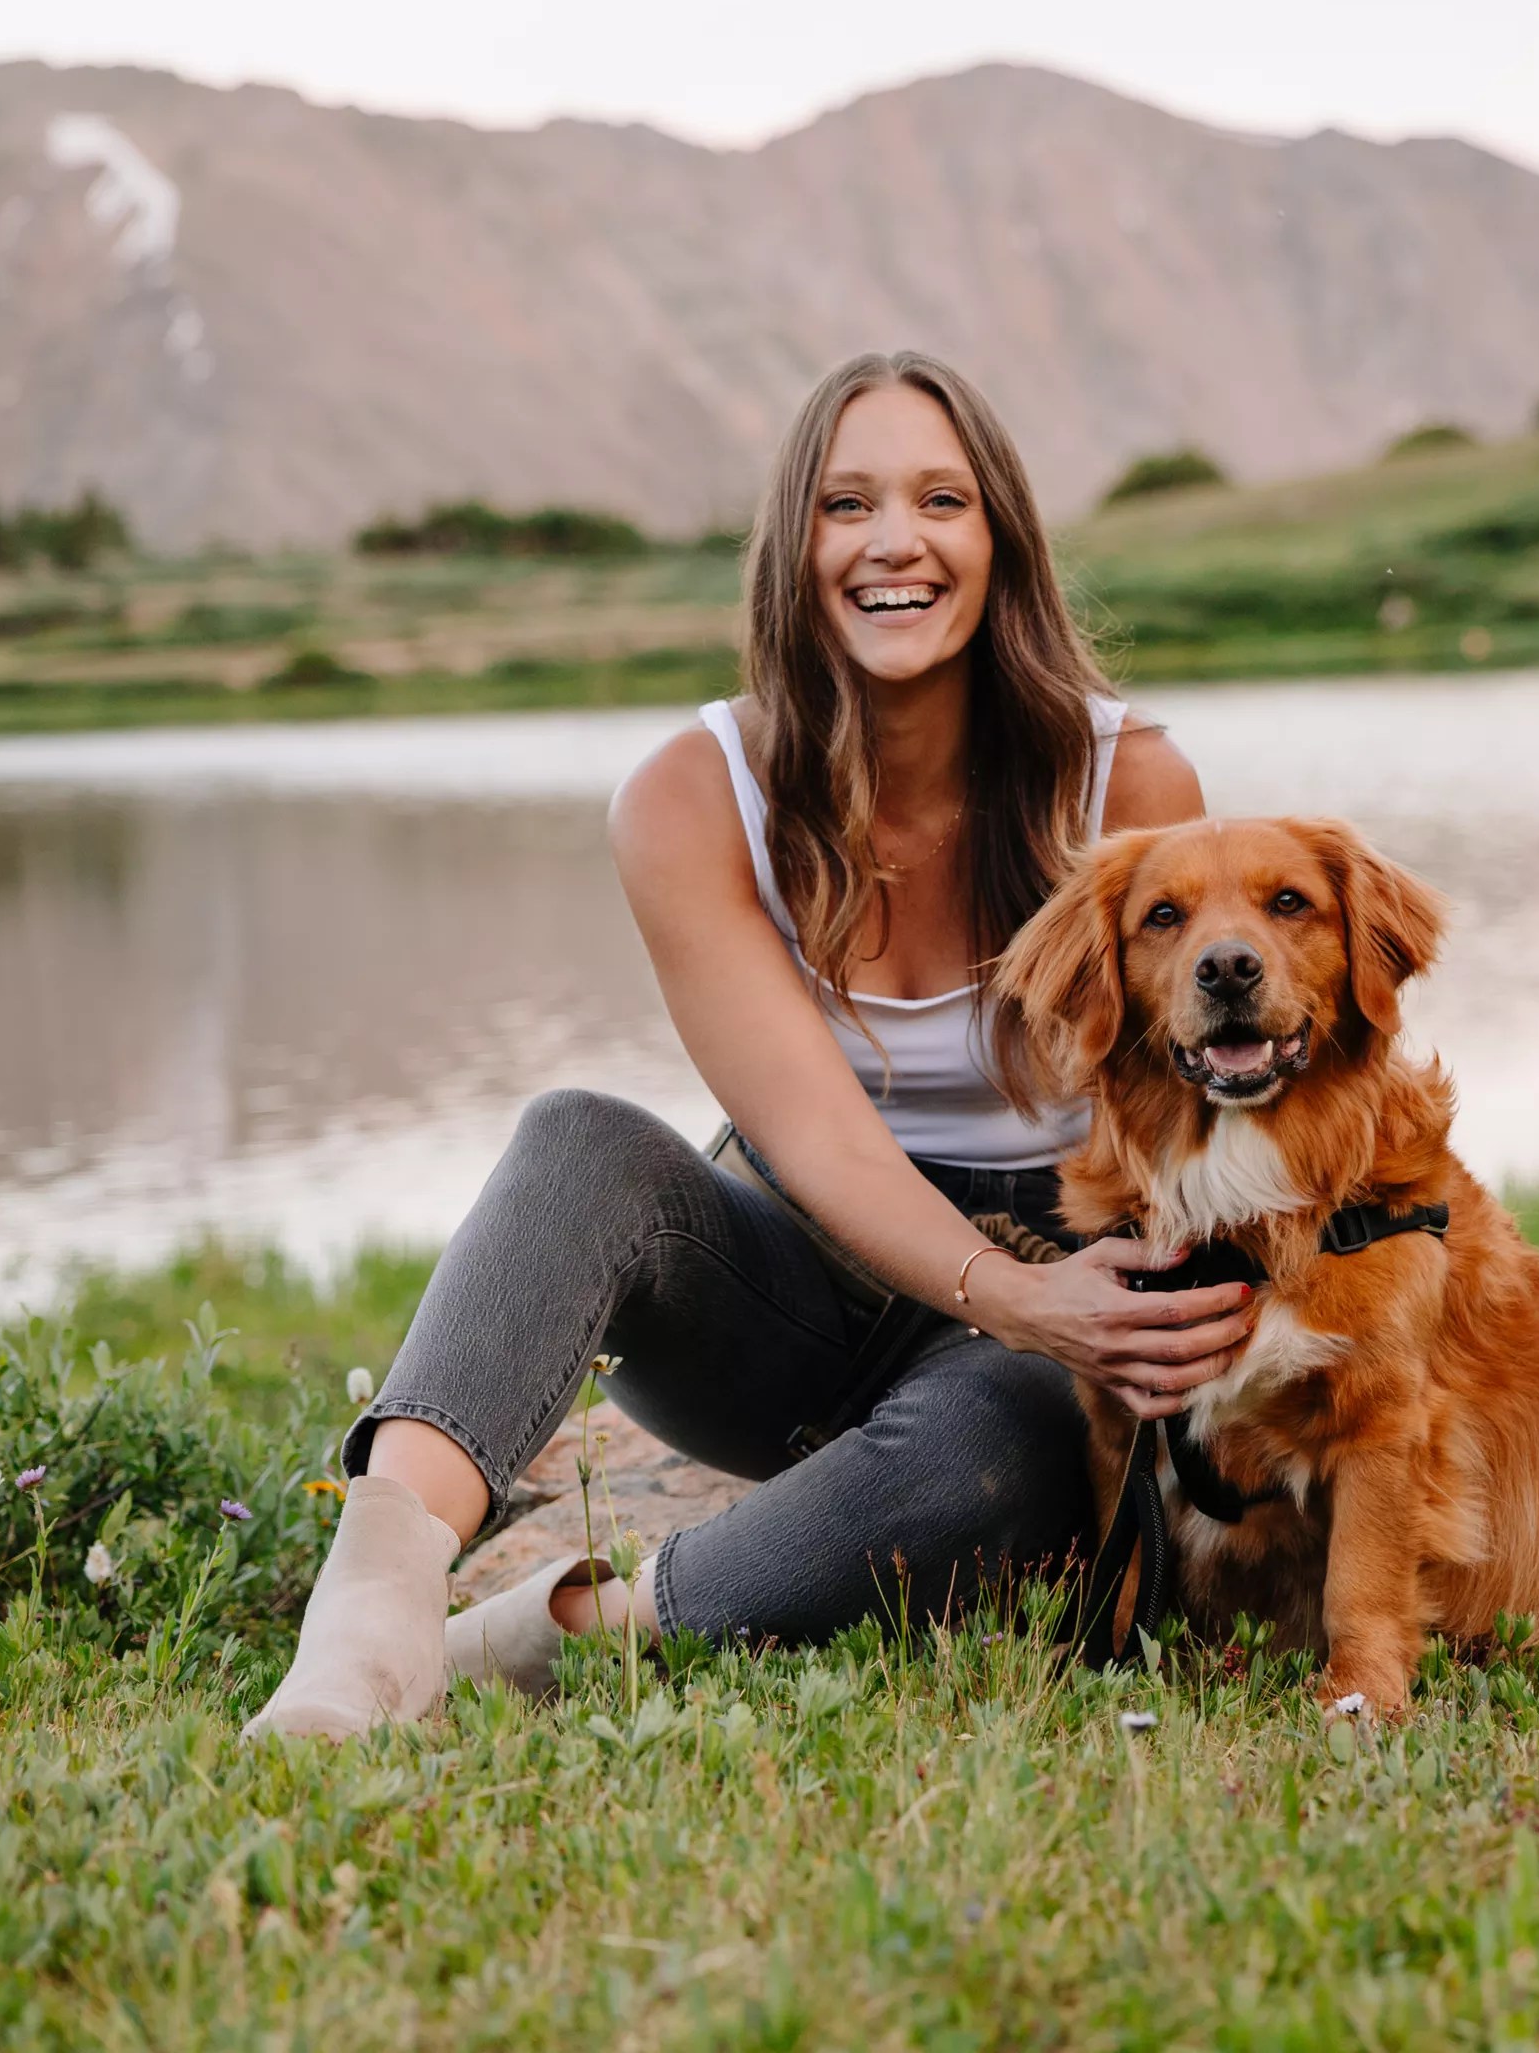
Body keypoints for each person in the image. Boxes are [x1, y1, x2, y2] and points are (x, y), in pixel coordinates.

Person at [247, 351, 1259, 1737]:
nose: (894, 541)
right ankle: (365, 1624)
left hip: (1043, 1299)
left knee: (1008, 1439)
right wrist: (1012, 1299)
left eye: (941, 501)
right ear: (796, 548)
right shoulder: (690, 795)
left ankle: (547, 1642)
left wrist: (1081, 1318)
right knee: (579, 1141)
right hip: (800, 1284)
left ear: (1000, 540)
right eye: (847, 505)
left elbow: (1204, 1107)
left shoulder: (1127, 780)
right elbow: (813, 1136)